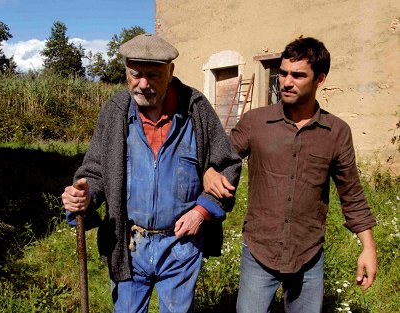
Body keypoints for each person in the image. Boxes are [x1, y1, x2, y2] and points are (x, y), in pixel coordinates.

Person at [61, 33, 242, 313]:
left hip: (180, 244)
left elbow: (228, 164)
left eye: (153, 75)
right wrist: (84, 196)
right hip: (129, 243)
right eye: (135, 74)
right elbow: (95, 170)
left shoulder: (196, 109)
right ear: (126, 71)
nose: (143, 84)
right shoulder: (115, 112)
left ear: (171, 72)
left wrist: (202, 211)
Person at [204, 37, 377, 312]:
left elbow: (352, 194)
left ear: (319, 79)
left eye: (298, 75)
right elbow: (218, 157)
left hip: (308, 253)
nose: (286, 81)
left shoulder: (336, 132)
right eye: (283, 73)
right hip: (259, 250)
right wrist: (208, 172)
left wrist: (368, 247)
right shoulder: (255, 122)